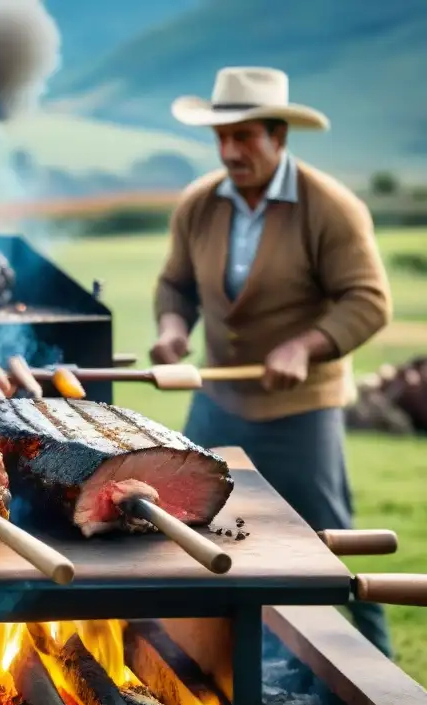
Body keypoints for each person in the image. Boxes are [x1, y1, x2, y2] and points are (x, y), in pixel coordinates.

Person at [150, 66, 394, 656]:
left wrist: (304, 346)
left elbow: (369, 300)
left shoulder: (329, 207)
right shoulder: (198, 205)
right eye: (222, 137)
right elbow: (175, 285)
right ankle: (197, 654)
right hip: (216, 404)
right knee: (183, 529)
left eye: (246, 137)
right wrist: (173, 326)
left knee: (328, 538)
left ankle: (383, 664)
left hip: (300, 411)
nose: (231, 151)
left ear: (279, 137)